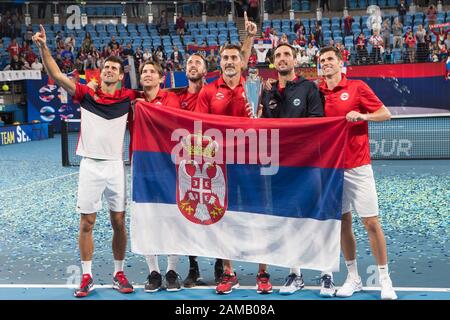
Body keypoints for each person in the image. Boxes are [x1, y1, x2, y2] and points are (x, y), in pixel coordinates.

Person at [32, 25, 137, 298]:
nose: (109, 71)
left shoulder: (128, 98)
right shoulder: (86, 94)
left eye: (114, 68)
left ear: (121, 75)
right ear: (100, 73)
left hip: (116, 166)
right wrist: (43, 47)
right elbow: (55, 75)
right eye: (106, 68)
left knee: (119, 222)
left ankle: (119, 272)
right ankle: (87, 275)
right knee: (86, 223)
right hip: (90, 165)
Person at [183, 12, 258, 288]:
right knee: (222, 216)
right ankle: (227, 270)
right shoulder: (208, 91)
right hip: (220, 166)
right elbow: (200, 130)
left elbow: (261, 123)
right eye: (224, 58)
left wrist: (248, 38)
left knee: (255, 214)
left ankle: (262, 271)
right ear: (220, 62)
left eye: (233, 58)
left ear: (241, 62)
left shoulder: (252, 85)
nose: (228, 61)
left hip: (251, 161)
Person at [317, 46, 397, 300]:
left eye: (330, 59)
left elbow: (386, 114)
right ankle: (353, 277)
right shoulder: (316, 92)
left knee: (371, 222)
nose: (326, 63)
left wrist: (361, 115)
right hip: (331, 169)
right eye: (322, 60)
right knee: (343, 222)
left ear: (341, 63)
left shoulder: (358, 87)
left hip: (358, 166)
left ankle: (385, 280)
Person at [258, 44, 335, 297]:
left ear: (295, 59)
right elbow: (266, 130)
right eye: (278, 55)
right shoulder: (267, 92)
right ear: (272, 62)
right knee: (289, 221)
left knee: (317, 218)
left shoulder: (309, 88)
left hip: (309, 164)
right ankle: (296, 273)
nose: (282, 58)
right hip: (281, 167)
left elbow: (316, 122)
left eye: (286, 55)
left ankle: (326, 274)